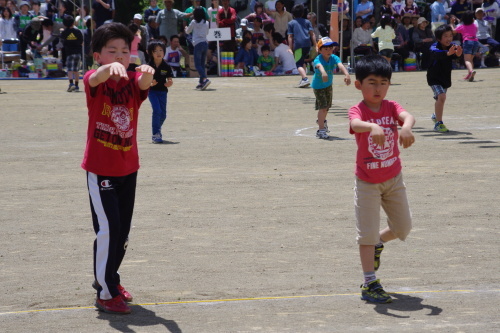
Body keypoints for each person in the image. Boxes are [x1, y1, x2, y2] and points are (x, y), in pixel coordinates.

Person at [83, 22, 155, 315]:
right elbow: (94, 78)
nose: (119, 56)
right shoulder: (94, 78)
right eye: (111, 51)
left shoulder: (132, 80)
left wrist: (148, 73)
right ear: (97, 55)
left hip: (128, 167)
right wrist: (106, 70)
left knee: (121, 233)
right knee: (108, 230)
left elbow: (143, 84)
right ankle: (105, 292)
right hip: (100, 169)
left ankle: (110, 279)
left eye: (125, 51)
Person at [348, 54, 415, 304]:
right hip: (367, 181)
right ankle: (370, 283)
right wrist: (372, 126)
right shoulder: (358, 109)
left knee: (403, 228)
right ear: (359, 85)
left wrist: (406, 126)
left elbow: (408, 116)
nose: (378, 88)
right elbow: (355, 124)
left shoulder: (391, 106)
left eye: (383, 82)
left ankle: (379, 243)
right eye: (372, 82)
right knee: (366, 233)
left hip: (393, 178)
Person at [311, 37, 350, 139]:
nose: (329, 51)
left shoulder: (334, 57)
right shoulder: (318, 59)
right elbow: (319, 66)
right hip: (318, 86)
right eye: (326, 49)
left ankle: (322, 121)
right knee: (323, 107)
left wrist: (346, 74)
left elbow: (340, 65)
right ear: (320, 50)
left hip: (328, 85)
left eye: (330, 48)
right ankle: (321, 130)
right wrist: (323, 73)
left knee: (327, 107)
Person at [427, 24, 462, 132]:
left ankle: (435, 116)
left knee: (440, 99)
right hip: (434, 78)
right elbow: (435, 54)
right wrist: (447, 53)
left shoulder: (452, 46)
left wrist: (458, 54)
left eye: (450, 35)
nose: (449, 38)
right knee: (441, 97)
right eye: (446, 36)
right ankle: (439, 123)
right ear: (438, 38)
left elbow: (455, 56)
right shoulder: (434, 47)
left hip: (445, 78)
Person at [147, 39, 174, 143]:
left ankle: (157, 128)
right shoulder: (148, 66)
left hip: (163, 91)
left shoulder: (166, 66)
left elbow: (170, 79)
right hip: (152, 91)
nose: (158, 53)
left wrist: (169, 83)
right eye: (155, 51)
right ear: (150, 53)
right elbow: (144, 80)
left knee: (163, 115)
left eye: (160, 50)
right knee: (157, 110)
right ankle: (156, 134)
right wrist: (150, 83)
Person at [287, 4, 314, 88]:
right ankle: (303, 78)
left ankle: (305, 79)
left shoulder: (291, 23)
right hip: (307, 45)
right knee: (303, 61)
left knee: (298, 64)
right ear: (303, 13)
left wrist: (290, 48)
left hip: (298, 45)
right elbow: (312, 34)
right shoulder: (307, 21)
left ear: (292, 14)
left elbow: (290, 36)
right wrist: (315, 44)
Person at [185, 7, 211, 90]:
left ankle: (204, 78)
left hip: (198, 44)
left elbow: (188, 31)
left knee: (197, 65)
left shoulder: (193, 22)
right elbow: (207, 32)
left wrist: (186, 28)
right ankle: (201, 83)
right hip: (205, 43)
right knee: (202, 64)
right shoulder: (206, 22)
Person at [451, 11, 480, 81]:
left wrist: (452, 23)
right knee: (470, 60)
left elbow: (453, 31)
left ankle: (471, 71)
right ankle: (469, 75)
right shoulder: (474, 26)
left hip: (468, 41)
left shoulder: (462, 26)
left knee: (467, 60)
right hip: (475, 42)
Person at [61, 15, 83, 92]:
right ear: (73, 23)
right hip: (77, 53)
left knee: (70, 70)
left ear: (64, 24)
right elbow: (81, 42)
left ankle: (71, 84)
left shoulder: (64, 32)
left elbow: (62, 42)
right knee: (76, 70)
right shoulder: (77, 31)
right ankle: (77, 86)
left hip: (69, 53)